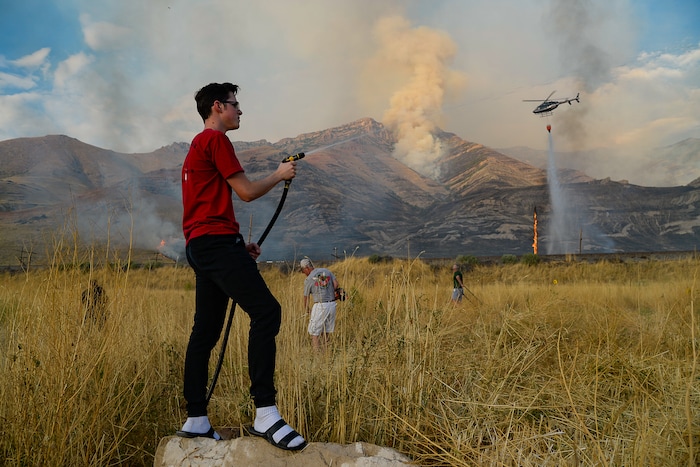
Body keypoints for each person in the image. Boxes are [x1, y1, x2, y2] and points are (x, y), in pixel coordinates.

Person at [176, 82, 306, 451]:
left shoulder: (194, 148)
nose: (240, 111)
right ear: (218, 107)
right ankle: (266, 412)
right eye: (235, 105)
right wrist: (280, 175)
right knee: (267, 312)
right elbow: (246, 192)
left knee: (205, 332)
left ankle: (197, 419)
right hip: (216, 244)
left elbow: (207, 206)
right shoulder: (216, 141)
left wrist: (236, 243)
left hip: (202, 245)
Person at [300, 258, 339, 351]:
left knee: (315, 333)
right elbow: (336, 284)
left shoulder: (309, 279)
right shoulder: (326, 271)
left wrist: (306, 309)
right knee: (326, 332)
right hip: (332, 305)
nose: (303, 273)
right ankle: (327, 354)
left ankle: (317, 357)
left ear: (306, 268)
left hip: (320, 306)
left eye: (302, 270)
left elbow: (306, 297)